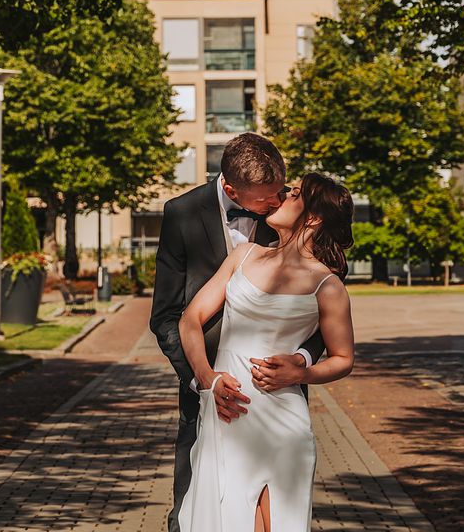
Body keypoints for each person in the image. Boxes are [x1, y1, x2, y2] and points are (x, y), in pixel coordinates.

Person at [151, 133, 325, 532]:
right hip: (206, 388)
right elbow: (166, 316)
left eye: (281, 191)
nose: (277, 201)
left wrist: (301, 361)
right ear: (231, 190)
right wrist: (204, 380)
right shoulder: (181, 213)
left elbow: (318, 308)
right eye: (266, 198)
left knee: (275, 515)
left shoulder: (290, 213)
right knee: (191, 512)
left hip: (276, 394)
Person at [177, 172, 355, 531]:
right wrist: (208, 378)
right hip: (227, 413)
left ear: (314, 218)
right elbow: (190, 319)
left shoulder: (327, 284)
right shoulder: (244, 255)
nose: (284, 194)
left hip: (281, 423)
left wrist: (303, 373)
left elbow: (343, 359)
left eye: (295, 193)